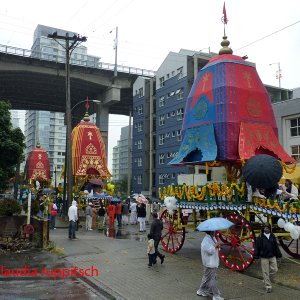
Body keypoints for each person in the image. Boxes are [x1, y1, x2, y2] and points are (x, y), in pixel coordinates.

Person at [254, 223, 282, 293]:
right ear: (263, 229)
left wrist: (279, 255)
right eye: (264, 228)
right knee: (265, 272)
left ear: (270, 228)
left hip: (272, 256)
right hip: (264, 257)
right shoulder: (260, 236)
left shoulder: (272, 236)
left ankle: (266, 279)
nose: (266, 229)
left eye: (267, 228)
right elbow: (257, 247)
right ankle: (268, 286)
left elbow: (276, 246)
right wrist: (256, 255)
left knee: (275, 270)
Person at [196, 231, 223, 300]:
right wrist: (215, 245)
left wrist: (217, 245)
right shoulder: (205, 241)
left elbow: (214, 246)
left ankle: (201, 290)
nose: (214, 232)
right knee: (212, 279)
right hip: (210, 262)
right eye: (213, 231)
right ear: (210, 232)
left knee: (207, 277)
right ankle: (216, 295)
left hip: (210, 262)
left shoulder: (212, 238)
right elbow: (210, 251)